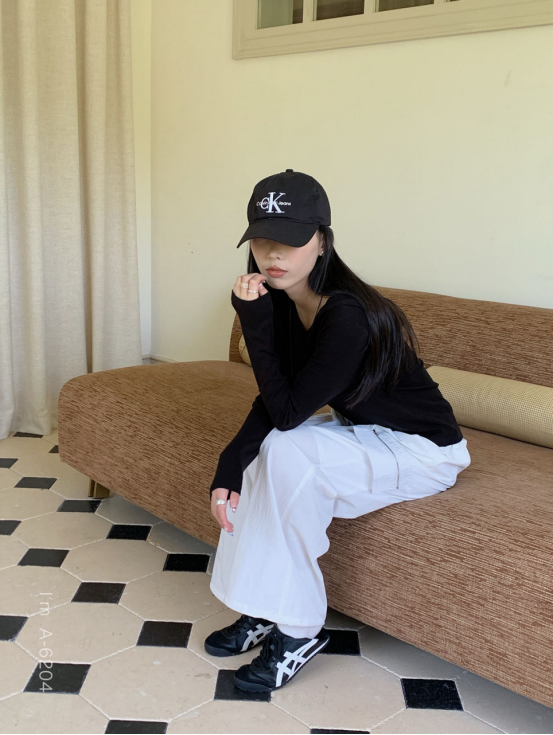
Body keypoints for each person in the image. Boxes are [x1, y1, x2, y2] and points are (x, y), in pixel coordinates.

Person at [205, 169, 471, 694]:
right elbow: (277, 400)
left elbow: (287, 412)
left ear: (322, 242)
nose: (272, 254)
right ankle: (263, 607)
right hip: (364, 431)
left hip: (423, 451)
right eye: (262, 239)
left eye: (290, 240)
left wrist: (252, 320)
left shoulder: (349, 315)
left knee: (287, 452)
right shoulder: (285, 300)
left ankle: (298, 631)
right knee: (267, 453)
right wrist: (230, 464)